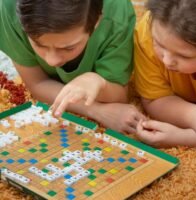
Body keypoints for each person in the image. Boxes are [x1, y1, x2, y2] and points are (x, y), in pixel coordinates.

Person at [0, 0, 145, 131]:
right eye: (38, 44)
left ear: (96, 22)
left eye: (68, 48)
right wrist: (97, 110)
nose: (52, 61)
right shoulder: (9, 6)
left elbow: (118, 95)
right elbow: (37, 82)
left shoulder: (117, 12)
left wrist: (98, 82)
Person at [133, 0, 196, 147]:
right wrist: (194, 116)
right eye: (159, 44)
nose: (167, 61)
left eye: (184, 56)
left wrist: (186, 138)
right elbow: (155, 98)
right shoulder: (150, 29)